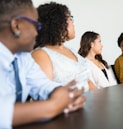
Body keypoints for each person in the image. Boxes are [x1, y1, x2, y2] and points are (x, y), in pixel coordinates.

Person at [0, 0, 85, 128]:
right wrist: (54, 106)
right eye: (35, 25)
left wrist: (67, 96)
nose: (37, 32)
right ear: (16, 25)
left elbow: (43, 85)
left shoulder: (23, 57)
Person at [32, 2, 96, 92]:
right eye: (70, 19)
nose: (73, 23)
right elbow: (45, 95)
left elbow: (87, 81)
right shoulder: (41, 54)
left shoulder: (71, 51)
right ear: (57, 23)